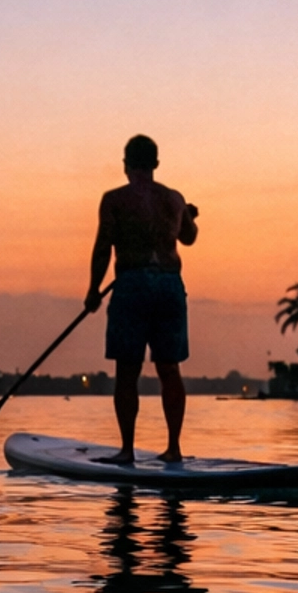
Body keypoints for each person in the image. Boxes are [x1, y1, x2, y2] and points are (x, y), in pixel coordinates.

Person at [84, 134, 198, 464]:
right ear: (156, 164)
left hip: (132, 284)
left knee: (127, 371)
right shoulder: (174, 199)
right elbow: (189, 238)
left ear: (125, 165)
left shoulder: (114, 200)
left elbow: (104, 246)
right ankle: (173, 448)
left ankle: (127, 450)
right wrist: (186, 215)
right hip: (168, 284)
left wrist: (93, 291)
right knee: (169, 369)